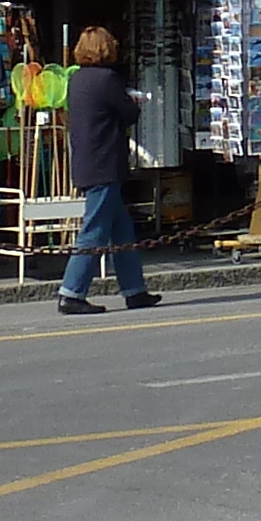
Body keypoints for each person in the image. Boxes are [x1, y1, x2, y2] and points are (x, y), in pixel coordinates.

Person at [57, 28, 158, 316]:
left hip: (87, 162)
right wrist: (132, 101)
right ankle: (71, 291)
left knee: (121, 229)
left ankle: (134, 289)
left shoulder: (76, 79)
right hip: (105, 164)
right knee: (94, 230)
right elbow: (130, 113)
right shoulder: (108, 79)